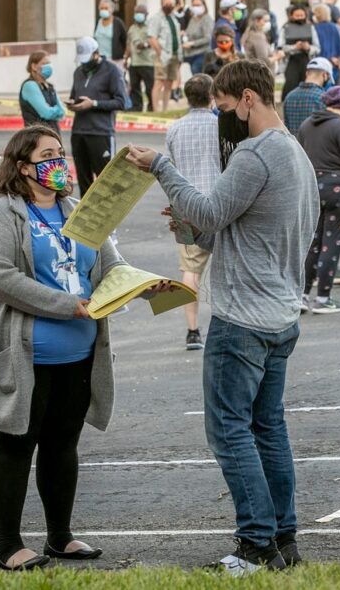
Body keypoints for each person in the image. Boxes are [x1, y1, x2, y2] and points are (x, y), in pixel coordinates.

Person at [124, 59, 318, 575]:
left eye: (225, 108)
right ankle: (283, 539)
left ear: (248, 99)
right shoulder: (294, 153)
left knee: (230, 431)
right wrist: (188, 231)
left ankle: (255, 544)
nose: (222, 119)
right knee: (267, 427)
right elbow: (223, 230)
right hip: (279, 311)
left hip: (242, 318)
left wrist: (163, 168)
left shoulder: (256, 154)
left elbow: (210, 212)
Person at [0, 126, 159, 571]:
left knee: (62, 446)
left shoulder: (78, 210)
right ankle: (8, 545)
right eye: (48, 155)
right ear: (23, 167)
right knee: (16, 445)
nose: (60, 163)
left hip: (79, 354)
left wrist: (146, 285)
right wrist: (63, 305)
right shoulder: (0, 213)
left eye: (61, 154)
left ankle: (60, 537)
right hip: (24, 355)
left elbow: (110, 264)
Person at [164, 75, 219, 350]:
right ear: (212, 96)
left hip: (184, 207)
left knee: (190, 271)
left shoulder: (175, 129)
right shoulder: (221, 125)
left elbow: (170, 169)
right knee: (225, 266)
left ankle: (193, 330)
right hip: (219, 204)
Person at [297, 86, 340, 314]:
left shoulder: (306, 125)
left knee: (313, 243)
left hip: (314, 190)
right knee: (331, 244)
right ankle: (324, 298)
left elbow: (300, 156)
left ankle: (302, 296)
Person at [67, 36, 127, 197]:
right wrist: (73, 104)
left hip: (101, 132)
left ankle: (108, 216)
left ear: (96, 53)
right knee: (84, 179)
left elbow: (121, 102)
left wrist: (93, 104)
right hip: (79, 132)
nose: (84, 63)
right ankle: (86, 217)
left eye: (87, 59)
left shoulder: (112, 71)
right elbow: (75, 95)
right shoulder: (78, 72)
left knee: (105, 180)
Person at [148, 0, 184, 112]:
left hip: (174, 55)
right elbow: (152, 38)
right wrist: (160, 52)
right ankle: (156, 109)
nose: (168, 5)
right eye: (166, 3)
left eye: (170, 3)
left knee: (169, 82)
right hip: (162, 55)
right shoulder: (156, 18)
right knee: (159, 81)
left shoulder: (174, 18)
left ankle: (165, 109)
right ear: (161, 4)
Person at [279, 5, 321, 101]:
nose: (299, 18)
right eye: (297, 15)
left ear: (305, 15)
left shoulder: (311, 27)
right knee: (290, 84)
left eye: (301, 15)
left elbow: (317, 48)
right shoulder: (285, 28)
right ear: (291, 16)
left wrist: (308, 47)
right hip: (291, 60)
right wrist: (295, 47)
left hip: (306, 60)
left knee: (307, 85)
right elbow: (280, 47)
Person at [19, 51, 66, 133]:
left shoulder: (50, 87)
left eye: (49, 63)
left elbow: (62, 112)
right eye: (45, 63)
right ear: (34, 66)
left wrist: (53, 110)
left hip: (53, 133)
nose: (49, 66)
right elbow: (46, 113)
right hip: (37, 136)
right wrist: (55, 110)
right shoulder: (30, 85)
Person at [282, 57, 331, 134]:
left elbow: (286, 128)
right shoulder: (324, 98)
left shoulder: (289, 97)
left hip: (294, 145)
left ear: (307, 73)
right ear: (324, 75)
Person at [125, 5, 155, 112]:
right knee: (134, 87)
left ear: (146, 15)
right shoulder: (132, 29)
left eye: (141, 13)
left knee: (149, 87)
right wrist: (126, 58)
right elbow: (129, 44)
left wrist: (145, 45)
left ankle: (152, 107)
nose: (138, 15)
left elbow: (154, 41)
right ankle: (136, 107)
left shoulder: (150, 28)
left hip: (148, 62)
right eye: (137, 12)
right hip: (134, 62)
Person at [93, 0, 127, 71]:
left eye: (106, 8)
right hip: (100, 59)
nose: (103, 10)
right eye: (101, 8)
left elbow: (125, 40)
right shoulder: (97, 22)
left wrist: (125, 57)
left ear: (111, 10)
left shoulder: (118, 23)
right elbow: (95, 39)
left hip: (115, 60)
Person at [313, 4, 340, 85]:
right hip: (334, 63)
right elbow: (339, 46)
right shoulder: (334, 27)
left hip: (321, 62)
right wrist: (339, 62)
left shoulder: (315, 28)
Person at [183, 0, 214, 75]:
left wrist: (193, 44)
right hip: (191, 54)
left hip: (202, 53)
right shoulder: (193, 19)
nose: (195, 7)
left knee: (197, 73)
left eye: (198, 5)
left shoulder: (207, 19)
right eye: (194, 5)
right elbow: (188, 32)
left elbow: (207, 38)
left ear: (204, 6)